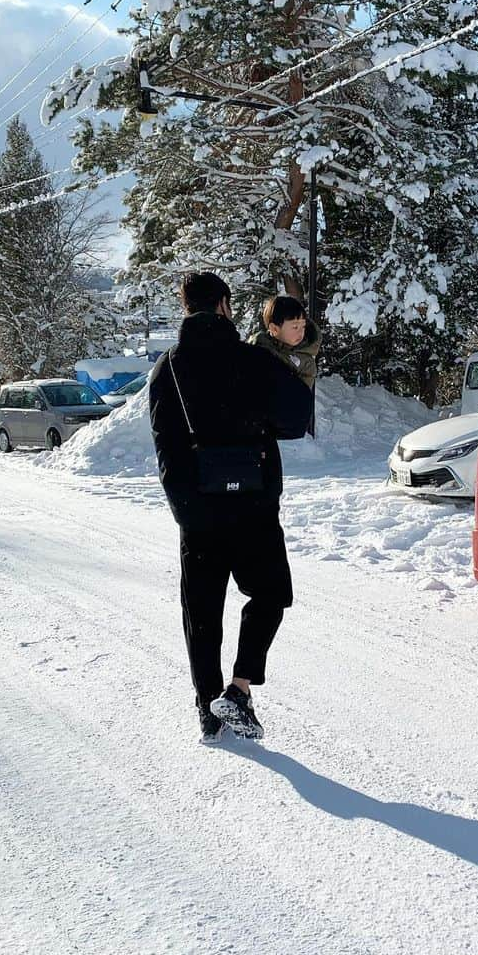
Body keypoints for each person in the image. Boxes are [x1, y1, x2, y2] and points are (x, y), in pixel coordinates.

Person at [149, 272, 312, 743]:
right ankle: (238, 689)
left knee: (201, 612)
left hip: (198, 513)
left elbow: (166, 447)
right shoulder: (252, 359)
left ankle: (208, 708)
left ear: (185, 308)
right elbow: (296, 419)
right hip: (254, 507)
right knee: (271, 594)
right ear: (224, 305)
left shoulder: (169, 369)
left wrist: (187, 511)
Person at [251, 295, 320, 389]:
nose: (301, 332)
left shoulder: (306, 362)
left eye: (303, 326)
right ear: (274, 329)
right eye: (295, 327)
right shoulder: (259, 346)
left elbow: (301, 395)